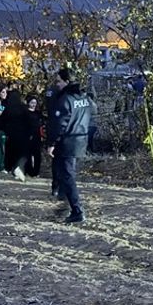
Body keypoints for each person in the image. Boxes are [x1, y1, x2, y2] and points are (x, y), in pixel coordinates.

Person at [47, 68, 93, 223]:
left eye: (59, 81)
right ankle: (66, 203)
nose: (57, 84)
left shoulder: (65, 99)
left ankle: (76, 210)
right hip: (81, 139)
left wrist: (51, 143)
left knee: (67, 176)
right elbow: (92, 113)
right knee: (67, 174)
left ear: (67, 81)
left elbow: (59, 124)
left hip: (68, 141)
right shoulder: (83, 97)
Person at [3, 88, 32, 181]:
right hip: (23, 135)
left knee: (12, 152)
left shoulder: (7, 107)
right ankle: (19, 168)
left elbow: (2, 119)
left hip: (11, 135)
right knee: (23, 154)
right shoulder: (23, 108)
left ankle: (12, 168)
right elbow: (29, 121)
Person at [24, 96, 44, 178]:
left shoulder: (38, 113)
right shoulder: (25, 113)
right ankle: (29, 170)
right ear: (28, 103)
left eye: (35, 103)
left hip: (37, 135)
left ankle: (36, 171)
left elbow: (41, 124)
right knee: (27, 154)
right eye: (32, 103)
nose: (33, 105)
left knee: (37, 154)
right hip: (27, 135)